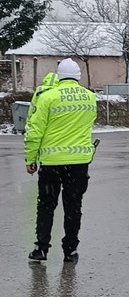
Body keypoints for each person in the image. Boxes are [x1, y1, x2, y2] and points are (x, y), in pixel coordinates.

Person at [25, 58, 97, 262]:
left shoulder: (48, 97)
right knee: (73, 206)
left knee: (46, 205)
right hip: (79, 162)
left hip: (51, 163)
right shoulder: (90, 98)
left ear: (59, 75)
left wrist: (31, 158)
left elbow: (34, 131)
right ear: (78, 76)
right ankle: (70, 251)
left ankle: (41, 248)